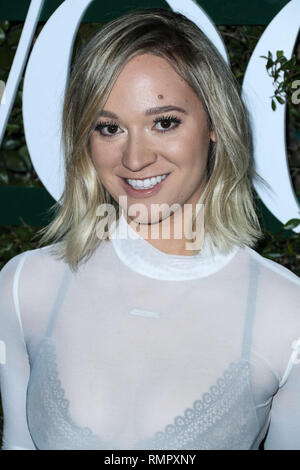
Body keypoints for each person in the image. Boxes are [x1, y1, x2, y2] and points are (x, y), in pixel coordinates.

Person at [0, 7, 299, 451]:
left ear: (214, 124)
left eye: (164, 122)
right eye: (109, 128)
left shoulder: (286, 311)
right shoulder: (27, 286)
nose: (135, 158)